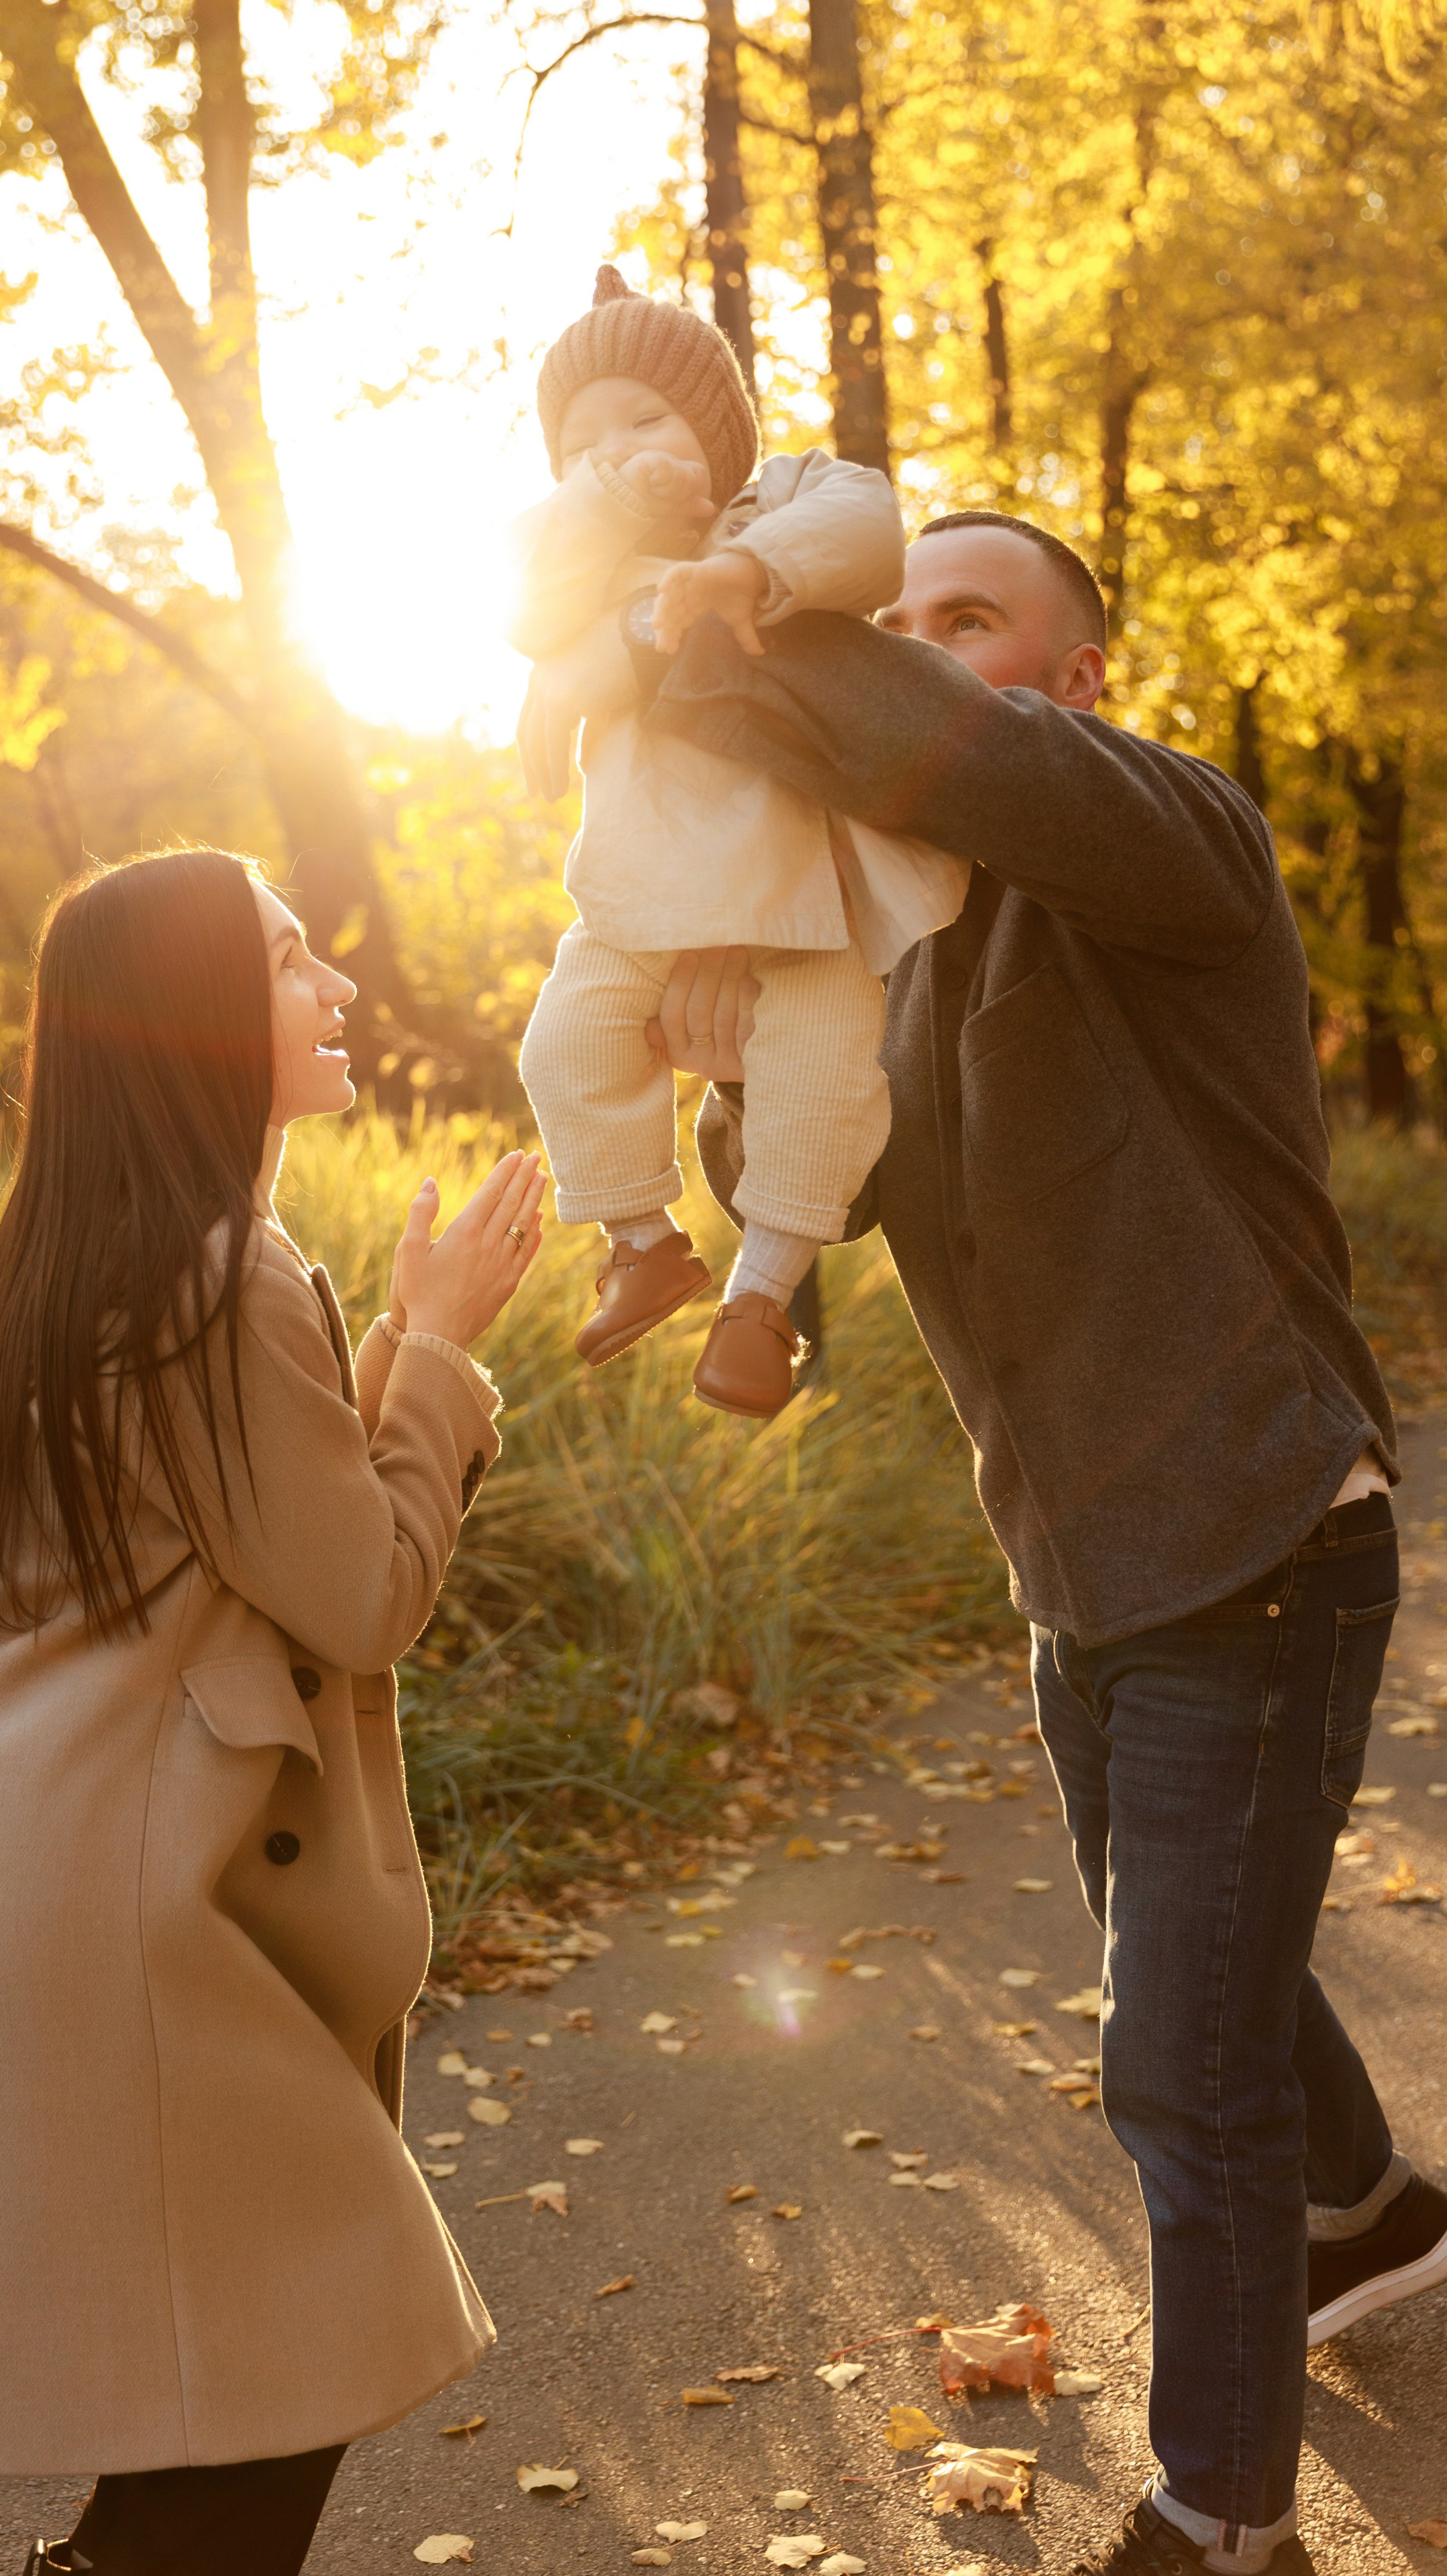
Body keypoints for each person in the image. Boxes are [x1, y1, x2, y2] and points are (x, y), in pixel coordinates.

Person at [639, 513, 1447, 2576]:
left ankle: (1220, 2516)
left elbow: (959, 767)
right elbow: (799, 1275)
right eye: (888, 624)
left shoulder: (1173, 843)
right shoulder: (894, 968)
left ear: (1080, 677)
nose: (908, 654)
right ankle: (1373, 2215)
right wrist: (739, 1088)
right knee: (1206, 1964)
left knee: (1176, 2062)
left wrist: (756, 631)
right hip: (1077, 1571)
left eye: (960, 622)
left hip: (1257, 1538)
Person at [0, 849, 545, 2576]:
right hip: (100, 1913)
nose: (339, 989)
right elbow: (361, 1595)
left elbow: (260, 1531)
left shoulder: (75, 1260)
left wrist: (385, 1359)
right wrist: (435, 1353)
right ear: (201, 1018)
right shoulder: (218, 1270)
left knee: (225, 2389)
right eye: (292, 961)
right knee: (281, 2363)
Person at [510, 262, 968, 1417]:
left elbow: (870, 526)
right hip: (636, 896)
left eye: (649, 421)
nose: (617, 454)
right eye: (582, 446)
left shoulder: (785, 507)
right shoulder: (591, 563)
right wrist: (610, 502)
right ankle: (640, 1242)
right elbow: (523, 598)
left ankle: (762, 1303)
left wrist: (745, 570)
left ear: (719, 432)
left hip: (803, 902)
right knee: (564, 1046)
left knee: (823, 1088)